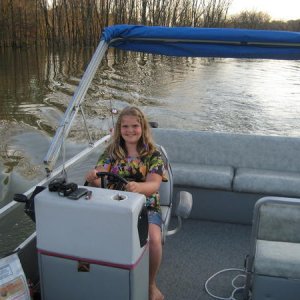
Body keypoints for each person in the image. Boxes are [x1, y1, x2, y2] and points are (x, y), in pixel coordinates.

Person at [85, 106, 165, 300]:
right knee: (92, 234)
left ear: (143, 127)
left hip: (145, 206)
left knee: (154, 240)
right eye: (125, 126)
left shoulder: (153, 155)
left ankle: (150, 284)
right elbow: (98, 179)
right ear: (119, 129)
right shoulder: (111, 152)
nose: (130, 130)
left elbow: (154, 184)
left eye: (135, 126)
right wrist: (92, 176)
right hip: (113, 205)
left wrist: (138, 187)